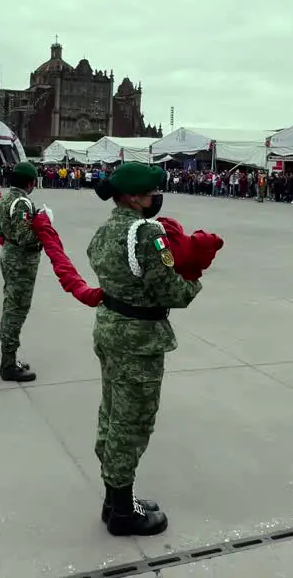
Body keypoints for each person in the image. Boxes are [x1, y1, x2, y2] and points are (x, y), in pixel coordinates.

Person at [88, 161, 203, 537]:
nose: (157, 198)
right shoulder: (146, 231)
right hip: (138, 338)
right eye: (153, 192)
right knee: (132, 422)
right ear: (134, 196)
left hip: (110, 329)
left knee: (112, 414)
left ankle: (115, 499)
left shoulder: (107, 229)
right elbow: (170, 290)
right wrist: (193, 279)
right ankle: (123, 513)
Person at [0, 162, 42, 382]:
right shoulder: (21, 202)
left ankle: (9, 358)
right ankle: (8, 364)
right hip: (20, 262)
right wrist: (43, 228)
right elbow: (26, 238)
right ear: (30, 182)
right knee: (16, 309)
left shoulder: (6, 198)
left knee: (12, 305)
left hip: (9, 253)